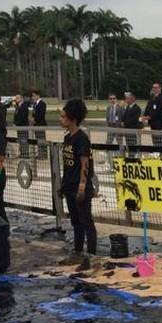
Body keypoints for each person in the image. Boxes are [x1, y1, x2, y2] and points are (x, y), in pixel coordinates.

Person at [59, 98, 97, 255]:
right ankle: (78, 250)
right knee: (75, 222)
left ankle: (92, 253)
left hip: (79, 187)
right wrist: (63, 186)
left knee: (86, 221)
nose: (60, 120)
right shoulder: (67, 137)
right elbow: (68, 165)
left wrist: (82, 187)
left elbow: (85, 164)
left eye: (63, 117)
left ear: (73, 119)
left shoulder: (81, 138)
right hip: (69, 186)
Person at [140, 82, 162, 148]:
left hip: (161, 123)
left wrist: (149, 117)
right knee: (155, 140)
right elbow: (148, 107)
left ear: (160, 88)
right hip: (153, 123)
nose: (154, 89)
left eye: (156, 88)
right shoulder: (152, 97)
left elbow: (159, 110)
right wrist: (144, 116)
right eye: (153, 88)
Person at [31, 89, 48, 158]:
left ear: (38, 96)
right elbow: (34, 114)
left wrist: (35, 120)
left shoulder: (42, 104)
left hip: (40, 124)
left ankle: (44, 154)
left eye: (33, 96)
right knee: (38, 139)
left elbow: (41, 114)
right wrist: (32, 119)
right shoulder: (35, 104)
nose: (32, 97)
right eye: (32, 96)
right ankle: (40, 153)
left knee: (42, 139)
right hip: (36, 125)